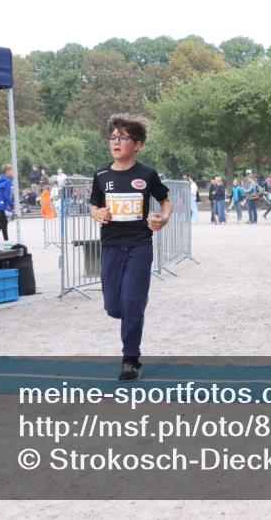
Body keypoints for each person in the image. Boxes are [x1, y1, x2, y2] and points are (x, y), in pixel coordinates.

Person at [90, 113, 172, 382]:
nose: (116, 142)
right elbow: (93, 205)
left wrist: (163, 219)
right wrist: (97, 213)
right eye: (113, 138)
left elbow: (166, 202)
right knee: (114, 307)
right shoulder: (101, 174)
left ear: (137, 145)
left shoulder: (147, 174)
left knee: (131, 304)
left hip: (139, 245)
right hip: (111, 245)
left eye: (123, 138)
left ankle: (130, 359)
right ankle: (132, 302)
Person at [0, 164, 14, 242]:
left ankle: (6, 240)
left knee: (4, 222)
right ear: (7, 171)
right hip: (0, 204)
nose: (13, 172)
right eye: (12, 170)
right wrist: (11, 204)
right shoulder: (7, 180)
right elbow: (6, 195)